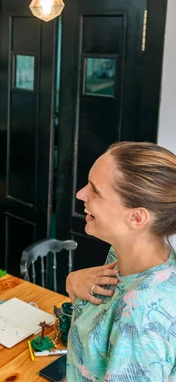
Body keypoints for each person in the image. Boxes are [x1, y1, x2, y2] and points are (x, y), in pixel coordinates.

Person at [66, 141, 176, 381]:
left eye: (95, 190)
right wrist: (73, 281)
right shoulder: (124, 255)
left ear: (136, 217)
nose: (81, 194)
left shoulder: (142, 319)